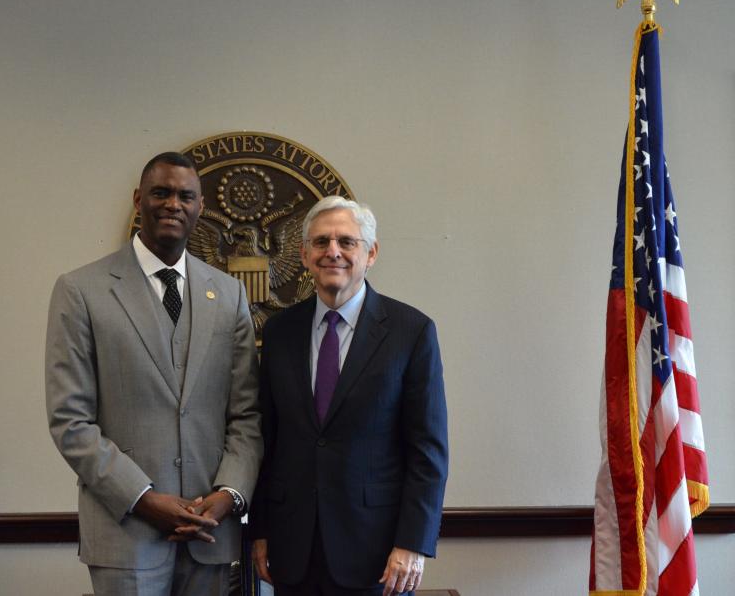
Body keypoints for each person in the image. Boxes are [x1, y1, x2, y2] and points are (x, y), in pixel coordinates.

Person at [45, 152, 262, 595]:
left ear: (201, 207)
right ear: (138, 199)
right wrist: (144, 499)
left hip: (210, 535)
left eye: (185, 196)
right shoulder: (82, 291)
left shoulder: (228, 294)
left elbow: (246, 415)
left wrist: (228, 496)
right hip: (126, 536)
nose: (173, 204)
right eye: (161, 193)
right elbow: (71, 422)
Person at [250, 196, 448, 596]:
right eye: (321, 243)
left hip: (377, 556)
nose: (333, 252)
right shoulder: (278, 332)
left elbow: (428, 451)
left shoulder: (411, 332)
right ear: (304, 255)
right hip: (292, 552)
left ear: (370, 253)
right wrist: (260, 531)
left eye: (346, 242)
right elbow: (266, 440)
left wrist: (413, 543)